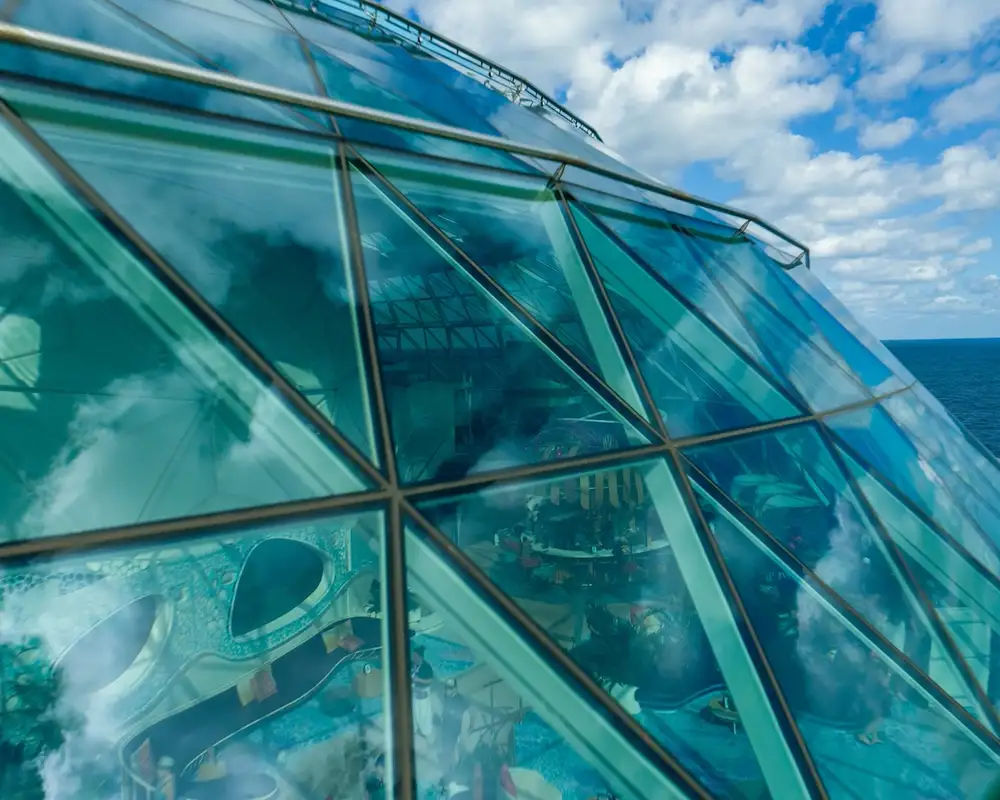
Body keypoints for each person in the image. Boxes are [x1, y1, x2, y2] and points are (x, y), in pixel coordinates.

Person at [438, 677, 468, 771]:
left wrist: (451, 712)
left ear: (455, 689)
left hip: (455, 731)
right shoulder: (446, 697)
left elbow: (462, 714)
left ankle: (454, 769)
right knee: (446, 750)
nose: (447, 690)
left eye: (450, 688)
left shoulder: (460, 699)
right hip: (446, 729)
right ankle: (447, 768)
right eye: (446, 688)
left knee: (453, 752)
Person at [411, 645, 435, 742]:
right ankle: (414, 728)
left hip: (423, 692)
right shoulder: (413, 664)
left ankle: (426, 731)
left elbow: (429, 681)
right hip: (414, 691)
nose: (413, 658)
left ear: (420, 657)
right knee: (414, 710)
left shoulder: (427, 667)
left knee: (424, 713)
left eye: (415, 656)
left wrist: (418, 679)